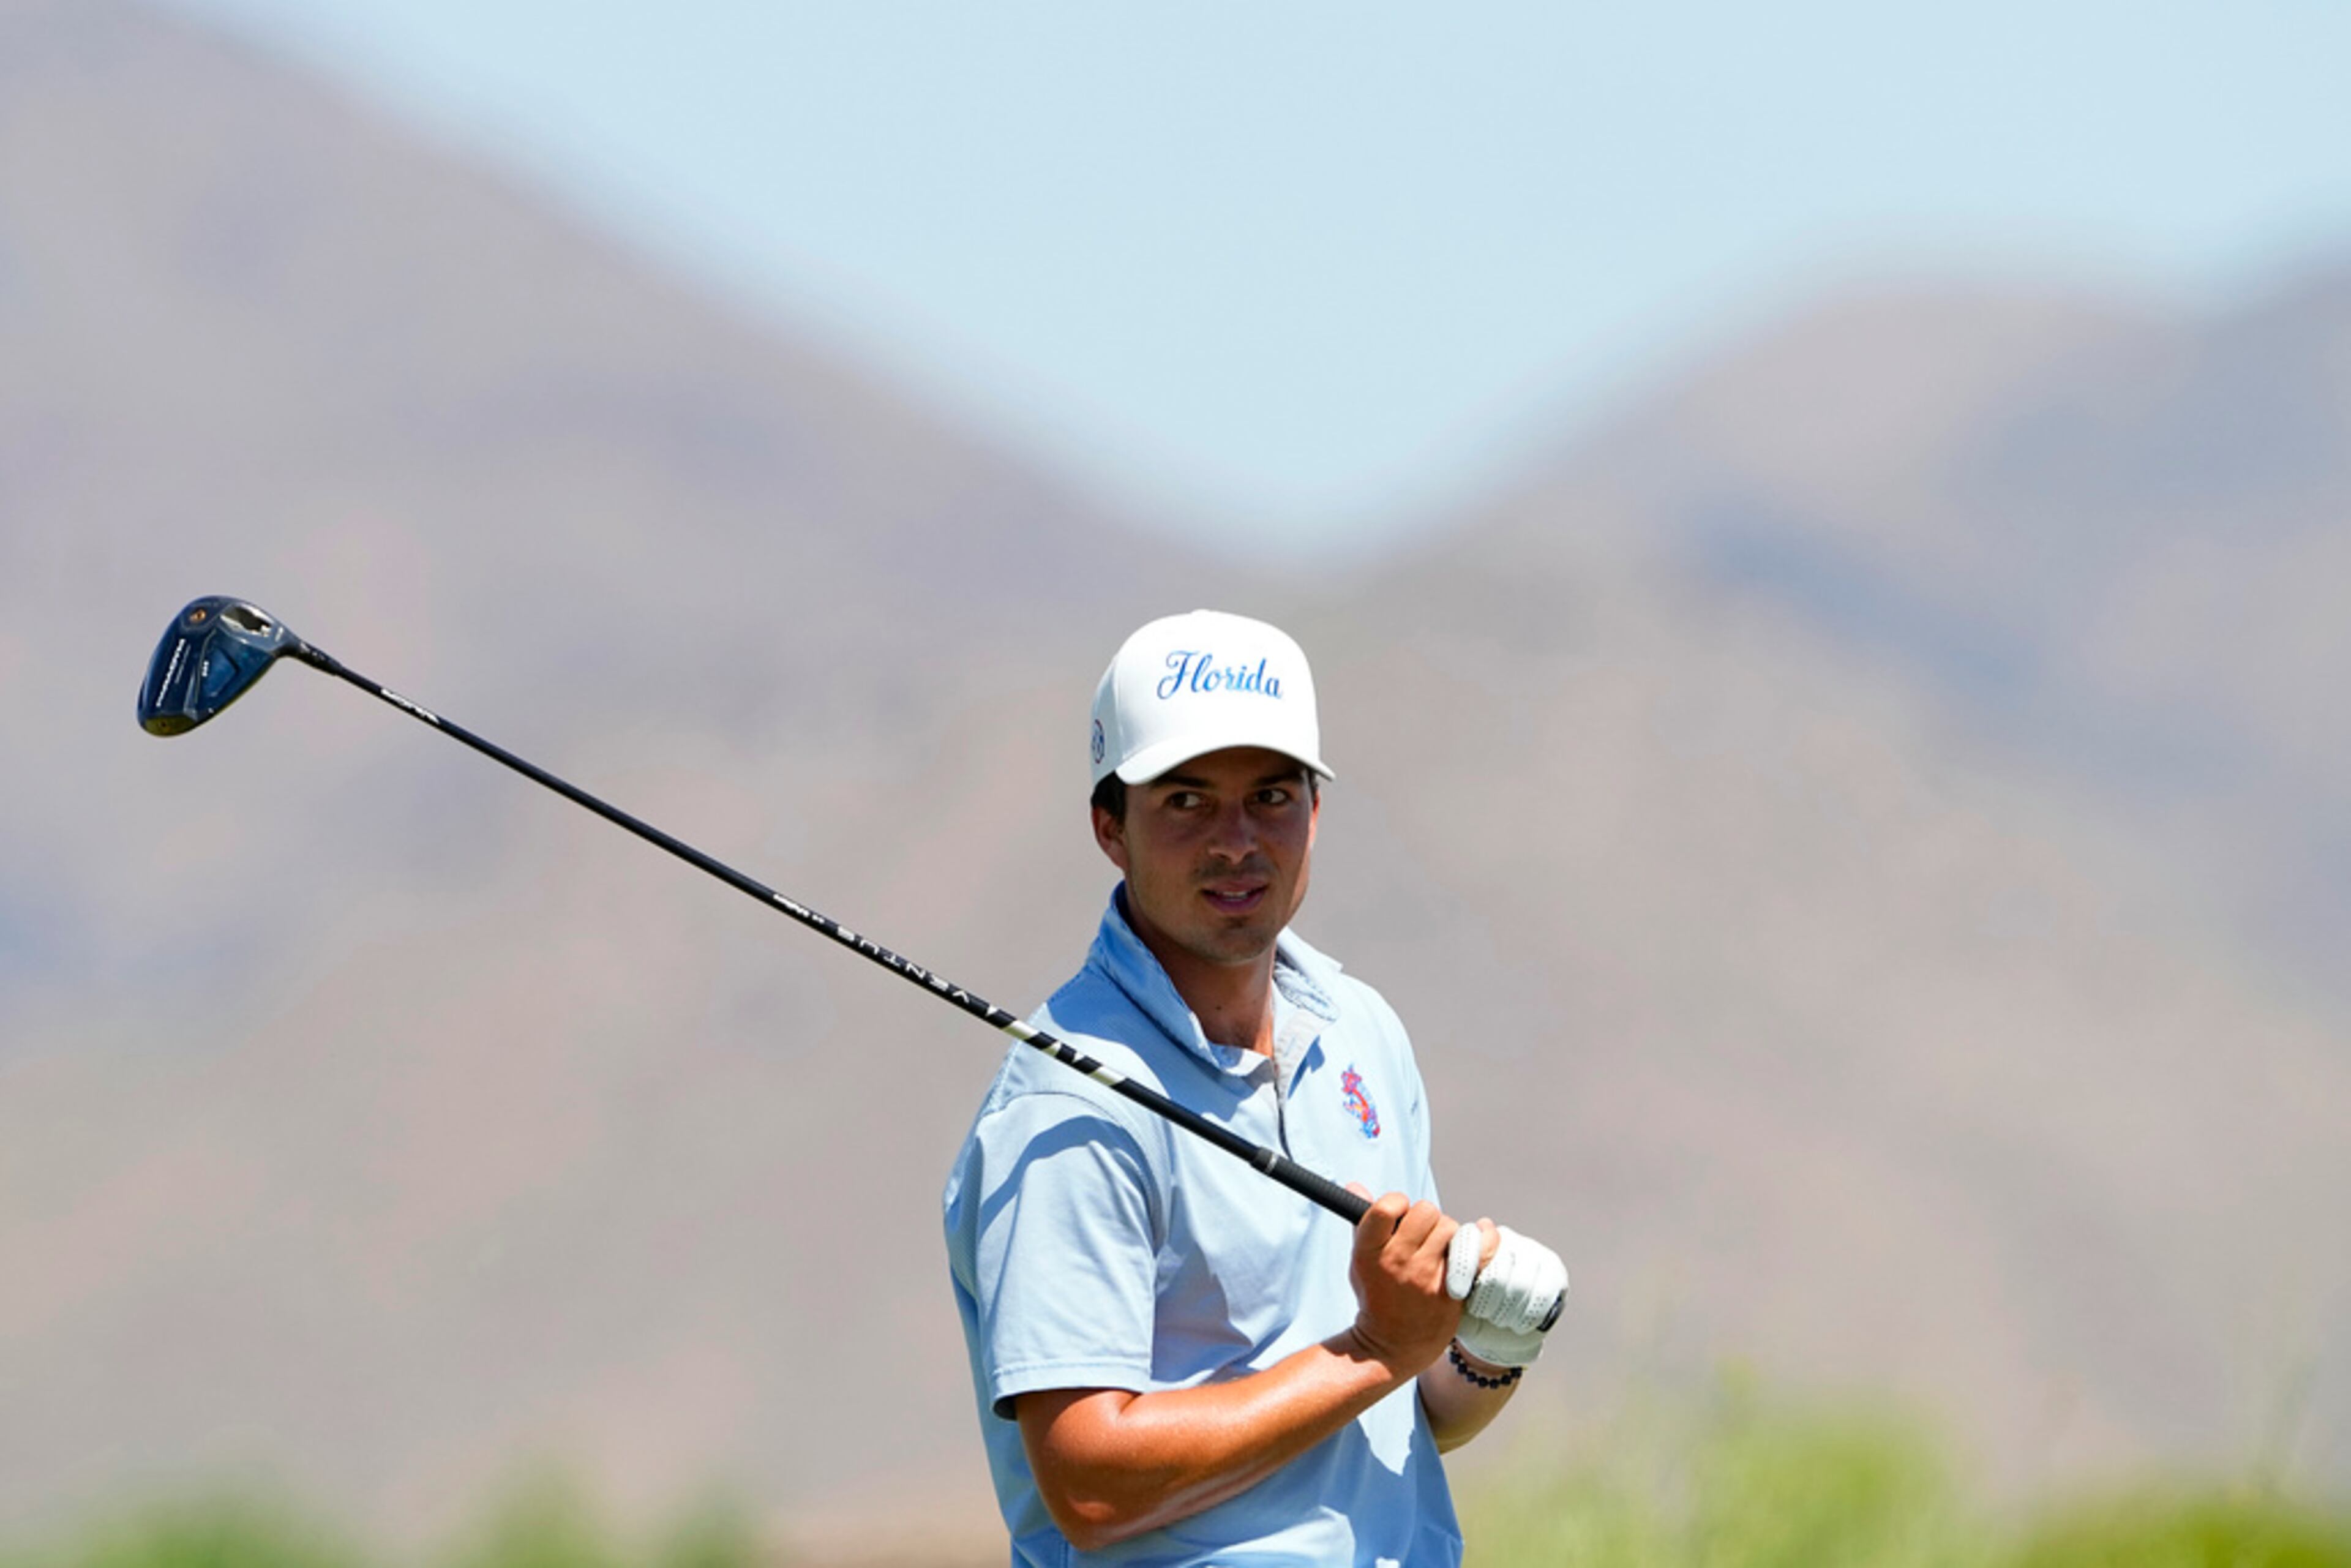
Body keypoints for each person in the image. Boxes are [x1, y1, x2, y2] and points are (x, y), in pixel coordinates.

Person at [943, 609, 1566, 1566]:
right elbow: (1090, 1484)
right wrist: (1375, 1349)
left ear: (1316, 811)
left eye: (1271, 796)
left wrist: (1482, 1350)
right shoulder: (1069, 1104)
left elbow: (1387, 1422)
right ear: (1111, 827)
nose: (1238, 841)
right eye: (1188, 802)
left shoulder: (1362, 1032)